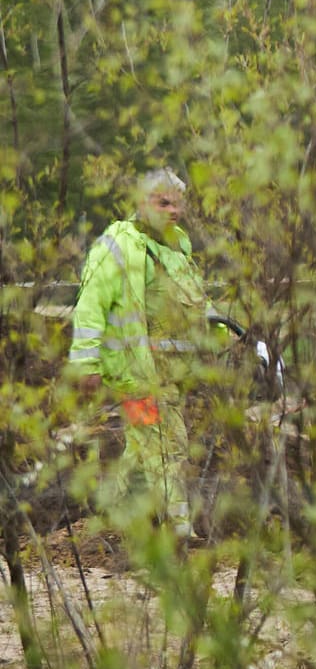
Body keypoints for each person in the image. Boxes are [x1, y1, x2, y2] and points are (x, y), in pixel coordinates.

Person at [68, 167, 219, 539]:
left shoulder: (177, 245)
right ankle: (181, 530)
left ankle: (110, 519)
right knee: (167, 444)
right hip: (135, 376)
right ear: (141, 203)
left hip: (174, 376)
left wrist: (221, 333)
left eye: (177, 204)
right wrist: (85, 362)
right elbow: (89, 306)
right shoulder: (116, 245)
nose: (173, 211)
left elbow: (195, 304)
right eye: (162, 202)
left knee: (143, 447)